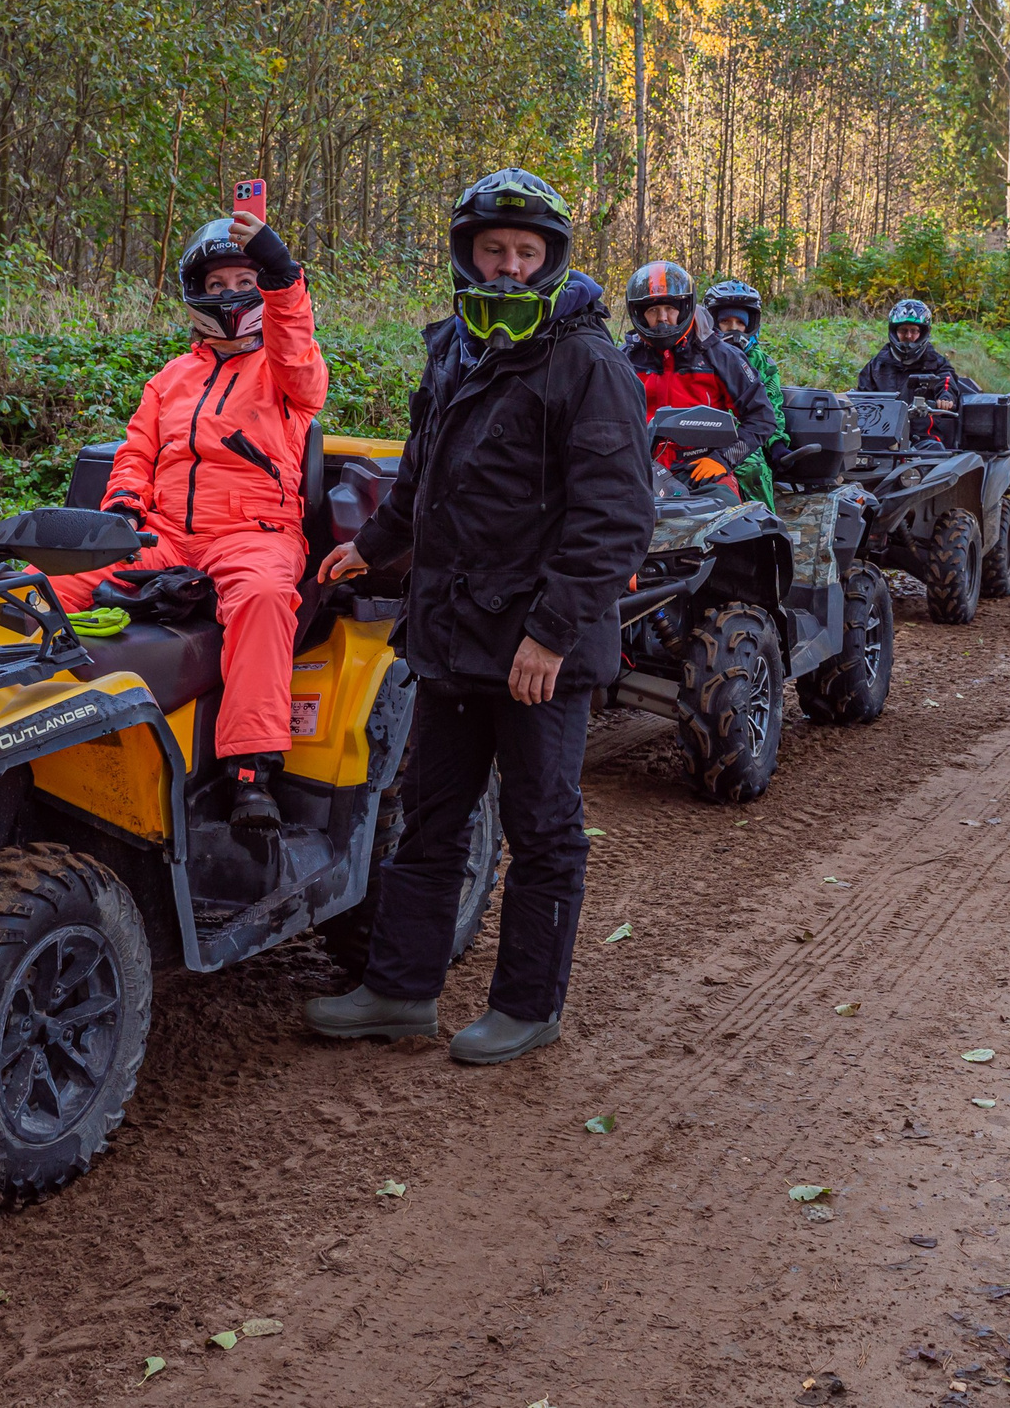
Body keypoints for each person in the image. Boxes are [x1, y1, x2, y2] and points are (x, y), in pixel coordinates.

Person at [301, 169, 651, 1066]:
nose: (506, 268)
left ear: (551, 261)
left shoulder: (588, 361)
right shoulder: (455, 347)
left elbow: (614, 519)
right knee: (429, 813)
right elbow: (423, 468)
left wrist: (552, 630)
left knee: (543, 827)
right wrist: (374, 543)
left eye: (524, 254)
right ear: (467, 254)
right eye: (491, 251)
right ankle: (399, 989)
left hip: (539, 644)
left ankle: (529, 1006)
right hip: (453, 628)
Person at [50, 207, 326, 830]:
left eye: (243, 283)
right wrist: (122, 504)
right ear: (195, 296)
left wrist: (283, 275)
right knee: (42, 583)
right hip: (166, 533)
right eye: (217, 286)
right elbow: (137, 453)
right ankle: (10, 713)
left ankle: (252, 772)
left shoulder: (288, 369)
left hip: (256, 533)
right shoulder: (170, 378)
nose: (230, 296)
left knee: (261, 598)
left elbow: (296, 348)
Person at [620, 263, 776, 506]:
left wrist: (723, 459)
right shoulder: (625, 360)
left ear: (684, 308)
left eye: (670, 308)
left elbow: (762, 417)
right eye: (653, 310)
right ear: (639, 314)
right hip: (637, 469)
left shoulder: (721, 357)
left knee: (735, 522)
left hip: (702, 469)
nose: (662, 318)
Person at [705, 279, 791, 509]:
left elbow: (772, 408)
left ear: (750, 325)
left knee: (753, 471)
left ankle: (765, 534)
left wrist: (777, 445)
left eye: (739, 323)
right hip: (701, 438)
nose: (733, 328)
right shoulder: (699, 357)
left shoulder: (761, 362)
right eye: (725, 321)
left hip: (746, 440)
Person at [857, 298, 969, 403]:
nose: (908, 335)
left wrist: (945, 397)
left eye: (914, 330)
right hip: (885, 422)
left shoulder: (937, 364)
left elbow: (947, 383)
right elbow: (861, 397)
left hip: (924, 422)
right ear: (894, 332)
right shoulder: (876, 365)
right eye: (903, 330)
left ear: (923, 333)